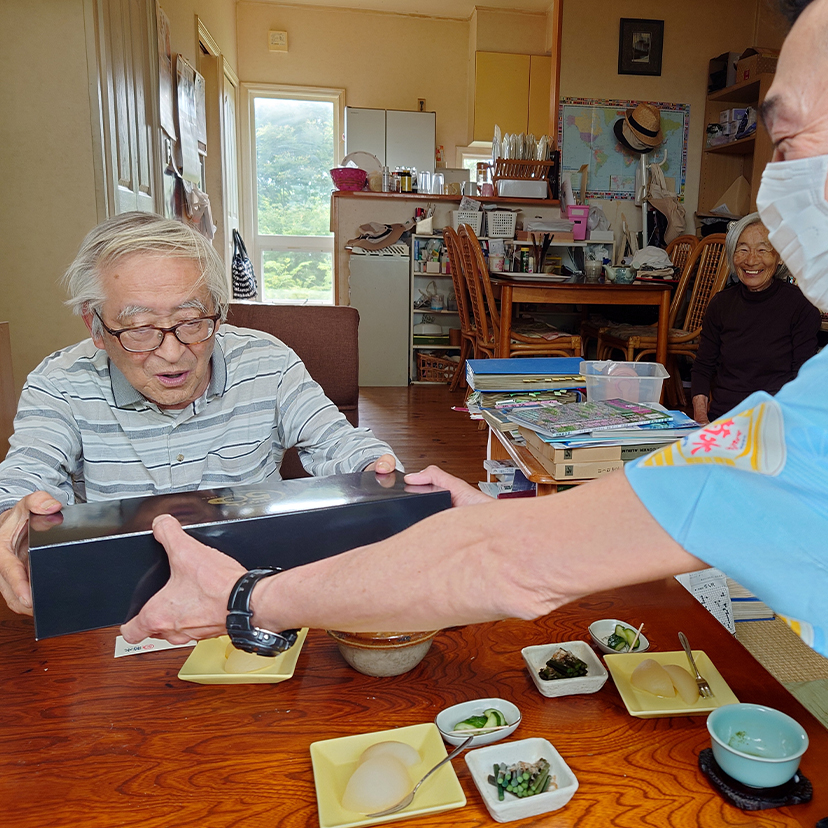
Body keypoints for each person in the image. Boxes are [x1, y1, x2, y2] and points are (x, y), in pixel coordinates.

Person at [119, 0, 828, 658]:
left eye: (789, 142)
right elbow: (652, 512)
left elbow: (516, 566)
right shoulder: (808, 409)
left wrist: (248, 599)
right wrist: (505, 524)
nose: (782, 179)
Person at [0, 212, 399, 615]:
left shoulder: (268, 361)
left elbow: (338, 440)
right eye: (139, 328)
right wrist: (11, 521)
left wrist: (376, 470)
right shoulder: (59, 383)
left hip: (252, 589)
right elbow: (27, 477)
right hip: (121, 600)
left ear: (219, 312)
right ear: (96, 326)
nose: (172, 354)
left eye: (191, 322)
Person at [691, 213, 820, 424]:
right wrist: (701, 418)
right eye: (742, 249)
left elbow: (803, 379)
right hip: (725, 420)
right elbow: (703, 367)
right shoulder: (720, 305)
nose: (751, 260)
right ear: (733, 255)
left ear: (779, 257)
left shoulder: (800, 306)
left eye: (763, 250)